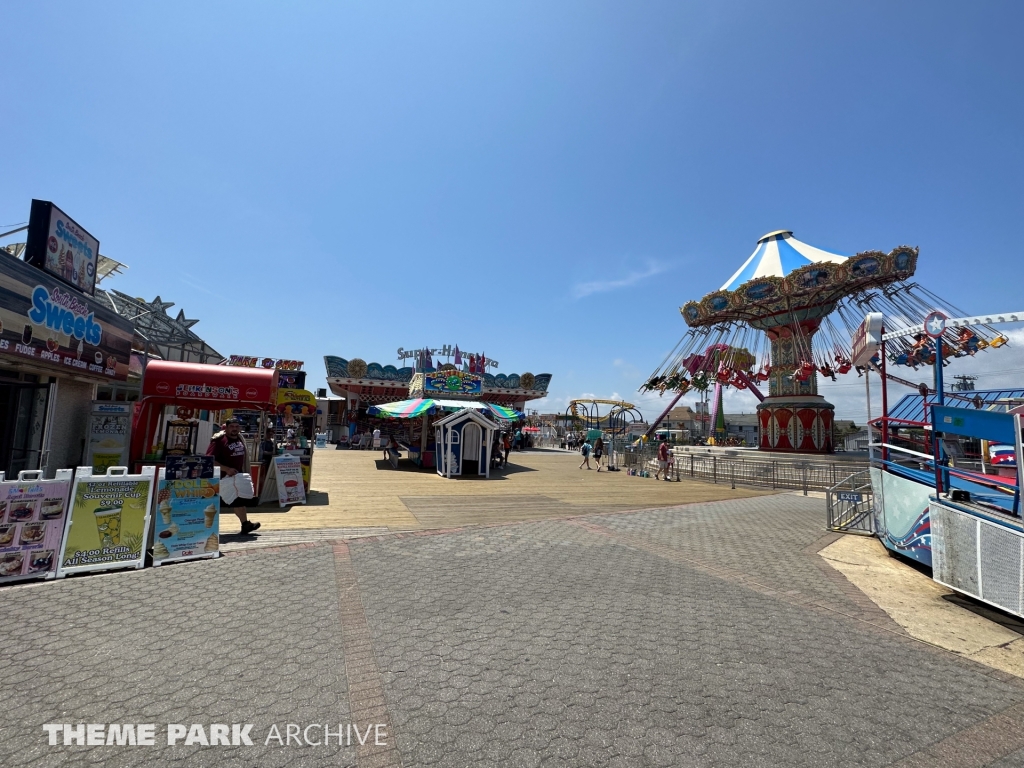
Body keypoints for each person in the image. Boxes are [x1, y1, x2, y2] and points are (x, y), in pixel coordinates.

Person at [207, 417, 260, 535]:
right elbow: (210, 460)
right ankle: (206, 528)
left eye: (237, 427)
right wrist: (226, 469)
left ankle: (245, 524)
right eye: (232, 427)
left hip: (236, 477)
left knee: (238, 501)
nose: (234, 429)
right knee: (212, 505)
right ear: (226, 428)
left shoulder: (240, 439)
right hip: (221, 478)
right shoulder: (219, 441)